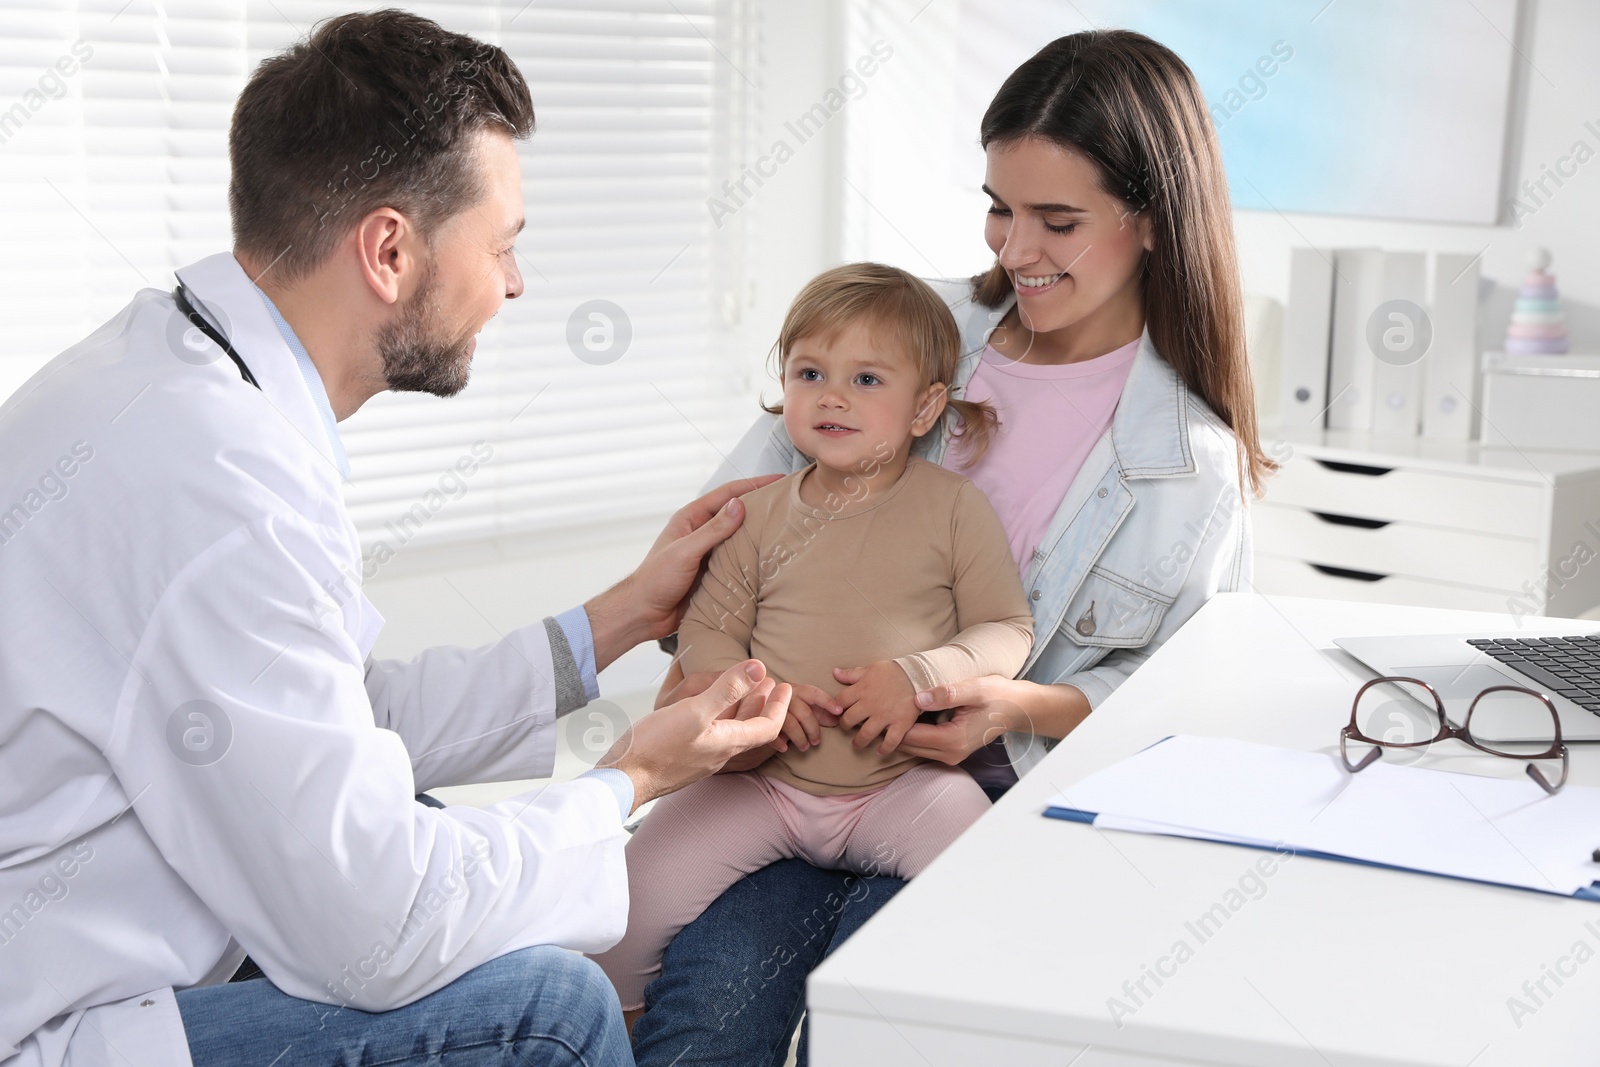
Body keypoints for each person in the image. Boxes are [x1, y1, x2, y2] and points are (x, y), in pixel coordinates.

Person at [0, 12, 791, 1067]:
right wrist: (631, 777)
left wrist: (619, 618)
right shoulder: (221, 485)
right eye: (503, 246)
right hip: (59, 1017)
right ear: (388, 249)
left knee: (419, 814)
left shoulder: (179, 373)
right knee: (546, 1008)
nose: (515, 284)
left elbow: (337, 713)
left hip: (119, 914)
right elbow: (377, 929)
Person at [631, 28, 1272, 1066]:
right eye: (997, 207)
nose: (1012, 250)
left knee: (882, 1030)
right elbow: (726, 538)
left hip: (968, 805)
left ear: (1152, 221)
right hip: (778, 776)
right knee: (707, 1020)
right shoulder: (898, 330)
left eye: (1056, 221)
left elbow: (1180, 703)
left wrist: (1012, 707)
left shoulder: (1192, 464)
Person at [591, 264, 1034, 1024]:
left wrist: (920, 674)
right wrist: (747, 689)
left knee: (989, 883)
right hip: (764, 781)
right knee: (619, 901)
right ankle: (607, 1033)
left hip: (902, 785)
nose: (832, 395)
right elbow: (709, 629)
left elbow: (1006, 629)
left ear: (927, 406)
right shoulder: (758, 516)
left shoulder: (953, 509)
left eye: (866, 378)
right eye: (810, 372)